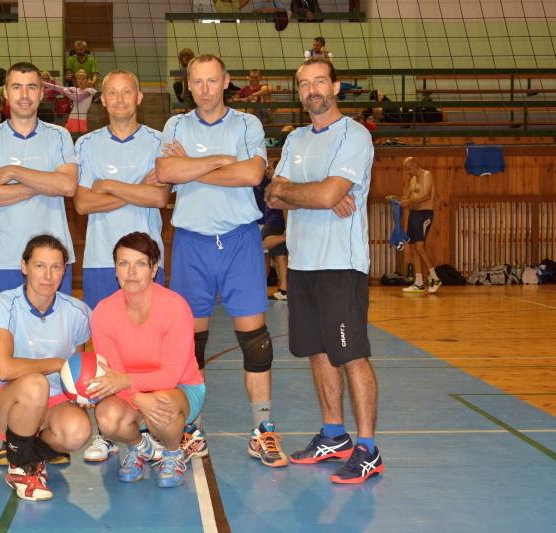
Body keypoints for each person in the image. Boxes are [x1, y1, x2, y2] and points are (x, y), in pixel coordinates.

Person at [156, 53, 288, 467]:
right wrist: (220, 161)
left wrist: (190, 167)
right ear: (188, 84)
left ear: (226, 81)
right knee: (191, 346)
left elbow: (252, 175)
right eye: (197, 81)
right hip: (192, 242)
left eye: (212, 81)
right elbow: (165, 172)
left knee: (256, 343)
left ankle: (262, 430)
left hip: (239, 241)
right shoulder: (175, 125)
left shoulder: (247, 124)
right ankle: (191, 429)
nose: (205, 89)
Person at [264, 57, 384, 484]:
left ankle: (367, 448)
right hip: (302, 262)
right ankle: (334, 435)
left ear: (335, 87)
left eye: (319, 81)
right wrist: (313, 194)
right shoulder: (295, 139)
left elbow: (327, 192)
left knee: (351, 355)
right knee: (317, 351)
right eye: (304, 84)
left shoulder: (355, 135)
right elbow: (273, 195)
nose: (312, 89)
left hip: (339, 264)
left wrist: (309, 192)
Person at [73, 70, 169, 463]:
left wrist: (108, 185)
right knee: (105, 351)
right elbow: (83, 203)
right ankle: (108, 431)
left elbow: (159, 198)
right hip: (101, 259)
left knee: (148, 348)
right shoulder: (86, 144)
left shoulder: (160, 141)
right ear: (103, 100)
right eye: (111, 93)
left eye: (126, 91)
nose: (119, 99)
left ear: (139, 96)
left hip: (147, 262)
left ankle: (148, 425)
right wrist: (136, 189)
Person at [0, 234, 92, 501]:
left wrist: (83, 394)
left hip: (54, 401)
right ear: (24, 266)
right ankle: (21, 466)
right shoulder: (4, 304)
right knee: (35, 383)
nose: (48, 275)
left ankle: (29, 451)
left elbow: (75, 371)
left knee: (77, 431)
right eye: (40, 266)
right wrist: (54, 364)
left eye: (55, 267)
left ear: (64, 270)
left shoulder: (78, 312)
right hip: (4, 401)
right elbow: (4, 369)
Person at [91, 232, 205, 488]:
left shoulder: (175, 307)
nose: (131, 272)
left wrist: (131, 387)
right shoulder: (103, 313)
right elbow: (112, 374)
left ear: (154, 270)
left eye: (140, 264)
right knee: (107, 417)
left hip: (181, 388)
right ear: (115, 269)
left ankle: (173, 453)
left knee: (161, 403)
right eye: (123, 263)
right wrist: (138, 397)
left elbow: (170, 375)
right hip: (129, 390)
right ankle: (140, 448)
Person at [0, 62, 77, 302]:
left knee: (56, 327)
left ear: (41, 93)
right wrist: (44, 183)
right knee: (4, 327)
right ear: (5, 92)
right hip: (2, 260)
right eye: (16, 87)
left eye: (31, 87)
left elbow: (67, 186)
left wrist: (14, 171)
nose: (24, 95)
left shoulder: (59, 135)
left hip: (53, 260)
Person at [397, 157, 441, 294]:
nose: (407, 172)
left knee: (420, 247)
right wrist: (396, 200)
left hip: (424, 214)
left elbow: (427, 196)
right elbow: (406, 197)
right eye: (406, 169)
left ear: (415, 164)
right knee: (413, 248)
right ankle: (419, 282)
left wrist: (408, 202)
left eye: (408, 168)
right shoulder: (412, 180)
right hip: (414, 214)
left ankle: (435, 278)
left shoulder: (427, 175)